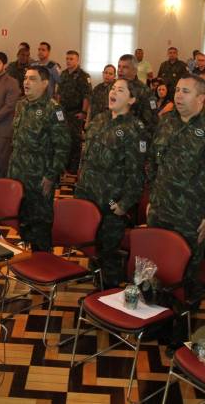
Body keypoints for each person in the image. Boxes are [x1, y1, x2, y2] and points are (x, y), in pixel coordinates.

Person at [146, 75, 205, 295]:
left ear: (201, 98)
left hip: (191, 217)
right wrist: (152, 196)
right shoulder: (166, 122)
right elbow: (152, 161)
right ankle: (154, 312)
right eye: (177, 90)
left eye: (185, 91)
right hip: (160, 211)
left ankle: (183, 314)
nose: (178, 95)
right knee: (155, 271)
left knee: (184, 277)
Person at [75, 78, 145, 288]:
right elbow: (85, 156)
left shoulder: (134, 128)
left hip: (111, 202)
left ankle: (108, 292)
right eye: (113, 89)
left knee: (109, 252)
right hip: (88, 195)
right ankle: (94, 281)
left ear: (131, 99)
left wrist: (125, 204)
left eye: (120, 90)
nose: (113, 92)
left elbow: (137, 172)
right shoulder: (99, 119)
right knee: (91, 244)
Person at [8, 66, 71, 251]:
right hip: (18, 173)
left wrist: (51, 175)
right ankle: (27, 257)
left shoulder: (53, 109)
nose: (26, 82)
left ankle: (43, 259)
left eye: (32, 79)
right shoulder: (21, 105)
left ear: (44, 83)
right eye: (25, 78)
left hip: (39, 178)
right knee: (22, 220)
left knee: (40, 224)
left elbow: (63, 146)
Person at [56, 50, 92, 172]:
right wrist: (58, 108)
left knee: (75, 141)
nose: (68, 61)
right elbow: (59, 93)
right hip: (63, 112)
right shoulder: (64, 74)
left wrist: (84, 112)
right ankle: (63, 167)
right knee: (62, 139)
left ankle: (73, 169)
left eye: (71, 59)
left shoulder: (84, 76)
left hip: (76, 113)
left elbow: (87, 95)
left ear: (77, 60)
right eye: (67, 58)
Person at [117, 54, 159, 135]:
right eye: (119, 66)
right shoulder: (113, 87)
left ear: (134, 71)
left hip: (134, 135)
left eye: (125, 67)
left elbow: (152, 120)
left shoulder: (145, 91)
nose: (120, 70)